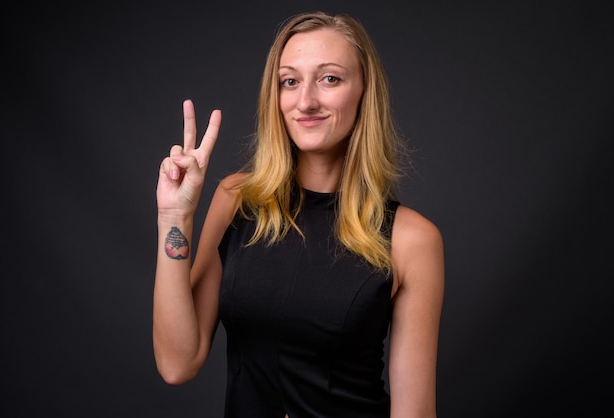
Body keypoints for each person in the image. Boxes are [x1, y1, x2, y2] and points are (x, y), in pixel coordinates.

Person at [153, 11, 444, 418]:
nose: (306, 101)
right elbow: (177, 363)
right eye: (290, 81)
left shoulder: (412, 239)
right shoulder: (236, 200)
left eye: (330, 79)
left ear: (363, 91)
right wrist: (174, 216)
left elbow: (414, 413)